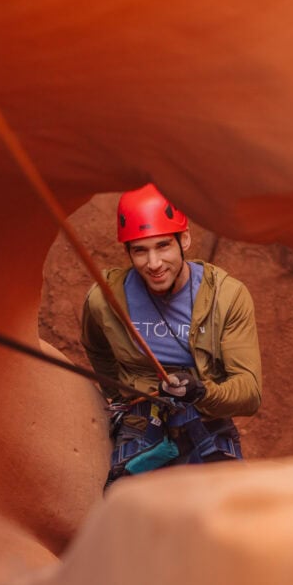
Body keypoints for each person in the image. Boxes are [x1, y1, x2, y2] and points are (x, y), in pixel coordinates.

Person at [80, 183, 262, 487]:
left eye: (163, 246)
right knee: (123, 505)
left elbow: (249, 392)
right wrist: (120, 396)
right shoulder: (104, 300)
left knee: (232, 518)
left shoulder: (227, 297)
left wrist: (202, 392)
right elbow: (96, 348)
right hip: (141, 415)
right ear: (128, 252)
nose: (153, 264)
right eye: (140, 250)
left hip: (206, 415)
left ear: (185, 239)